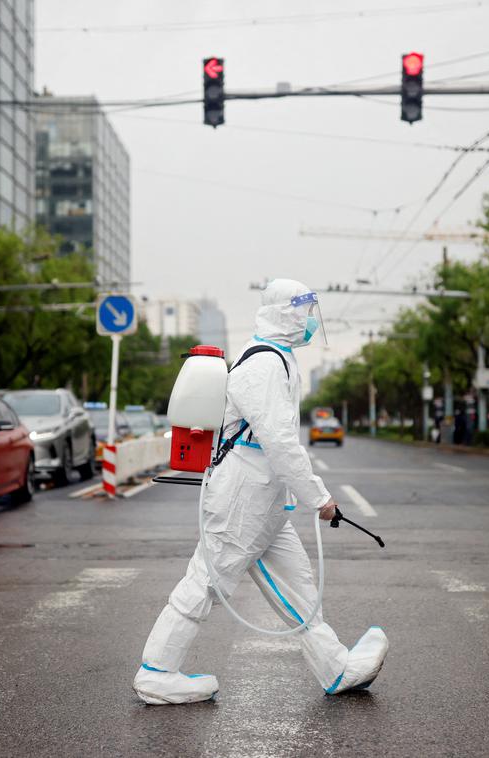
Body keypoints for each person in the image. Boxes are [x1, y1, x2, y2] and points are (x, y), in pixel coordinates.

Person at [133, 279, 389, 705]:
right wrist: (319, 497)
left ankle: (336, 668)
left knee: (299, 585)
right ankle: (157, 673)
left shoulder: (279, 360)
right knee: (206, 583)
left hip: (264, 503)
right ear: (287, 314)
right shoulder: (264, 366)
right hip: (242, 502)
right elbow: (280, 441)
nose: (310, 322)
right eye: (305, 313)